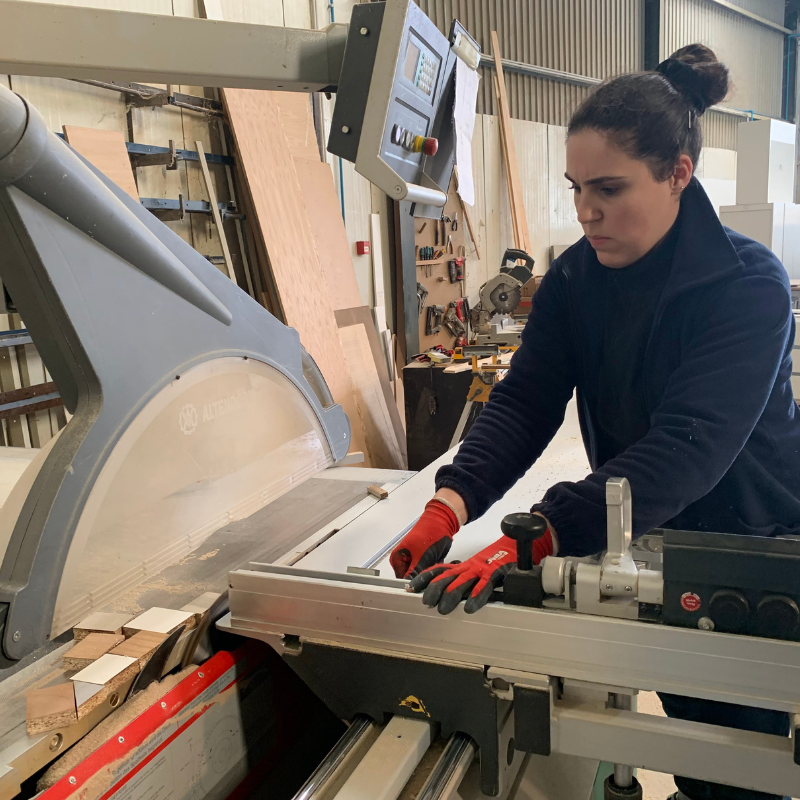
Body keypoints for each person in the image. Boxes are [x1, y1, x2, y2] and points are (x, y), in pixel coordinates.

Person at [390, 44, 800, 800]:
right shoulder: (577, 279)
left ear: (678, 173)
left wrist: (546, 530)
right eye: (577, 188)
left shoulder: (747, 288)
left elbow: (687, 449)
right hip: (640, 528)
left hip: (745, 541)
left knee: (742, 750)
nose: (585, 211)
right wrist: (451, 501)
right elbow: (525, 400)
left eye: (609, 189)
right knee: (688, 729)